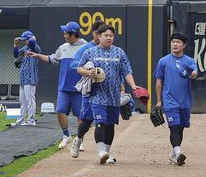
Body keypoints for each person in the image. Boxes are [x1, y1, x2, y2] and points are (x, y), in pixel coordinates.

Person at [77, 25, 143, 165]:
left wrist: (133, 85)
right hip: (96, 94)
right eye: (106, 35)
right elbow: (79, 68)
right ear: (99, 36)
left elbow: (127, 71)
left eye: (111, 35)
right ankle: (101, 152)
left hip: (114, 95)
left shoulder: (119, 52)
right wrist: (88, 73)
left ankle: (107, 153)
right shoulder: (90, 52)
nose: (108, 38)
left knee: (110, 125)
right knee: (100, 123)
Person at [27, 21, 87, 148]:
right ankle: (66, 136)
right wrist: (37, 55)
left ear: (73, 35)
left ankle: (80, 140)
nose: (64, 35)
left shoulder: (86, 47)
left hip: (80, 88)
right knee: (60, 112)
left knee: (81, 116)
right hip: (64, 88)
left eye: (66, 33)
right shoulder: (63, 47)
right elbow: (52, 59)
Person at [154, 32, 198, 166]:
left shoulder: (189, 61)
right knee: (174, 127)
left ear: (184, 45)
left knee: (181, 128)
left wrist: (189, 73)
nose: (175, 44)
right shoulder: (164, 61)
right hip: (169, 101)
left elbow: (195, 75)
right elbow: (159, 81)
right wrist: (159, 101)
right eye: (173, 42)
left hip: (184, 101)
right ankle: (178, 152)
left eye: (178, 42)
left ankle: (174, 153)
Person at [69, 20, 105, 158]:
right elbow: (74, 64)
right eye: (98, 33)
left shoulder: (110, 48)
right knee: (87, 120)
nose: (100, 36)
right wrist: (87, 69)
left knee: (103, 121)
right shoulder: (86, 49)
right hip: (90, 89)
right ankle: (78, 140)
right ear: (94, 33)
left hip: (105, 90)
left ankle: (104, 151)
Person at [13, 30, 41, 126]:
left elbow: (33, 44)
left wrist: (32, 38)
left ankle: (31, 120)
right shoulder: (25, 48)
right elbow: (16, 54)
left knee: (30, 100)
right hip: (23, 78)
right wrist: (15, 45)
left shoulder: (35, 48)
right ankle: (20, 120)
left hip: (30, 78)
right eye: (23, 40)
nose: (24, 41)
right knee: (23, 101)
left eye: (25, 39)